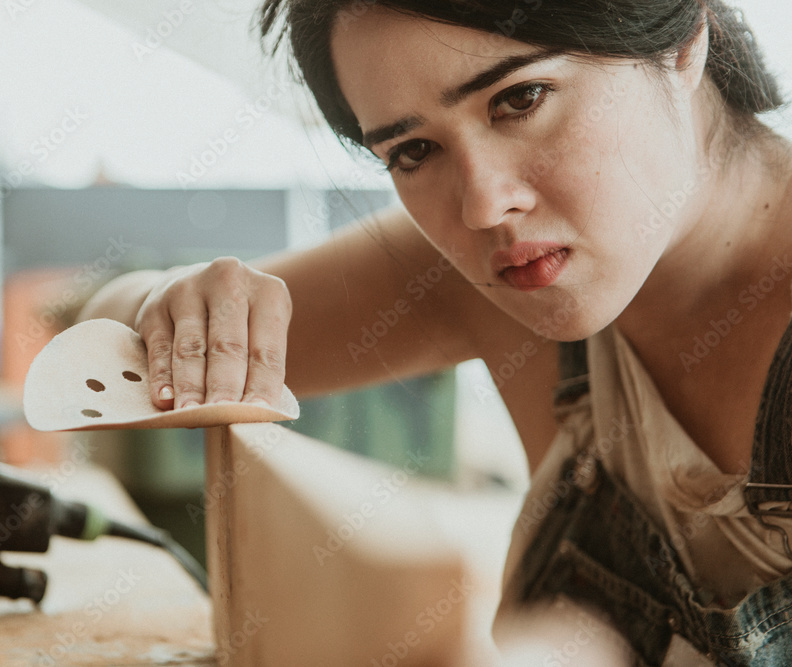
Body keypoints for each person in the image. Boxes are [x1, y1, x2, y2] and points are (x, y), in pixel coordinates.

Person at [80, 0, 792, 663]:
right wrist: (177, 303)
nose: (484, 205)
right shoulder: (507, 268)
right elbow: (100, 335)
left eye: (522, 98)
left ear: (683, 41)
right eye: (414, 152)